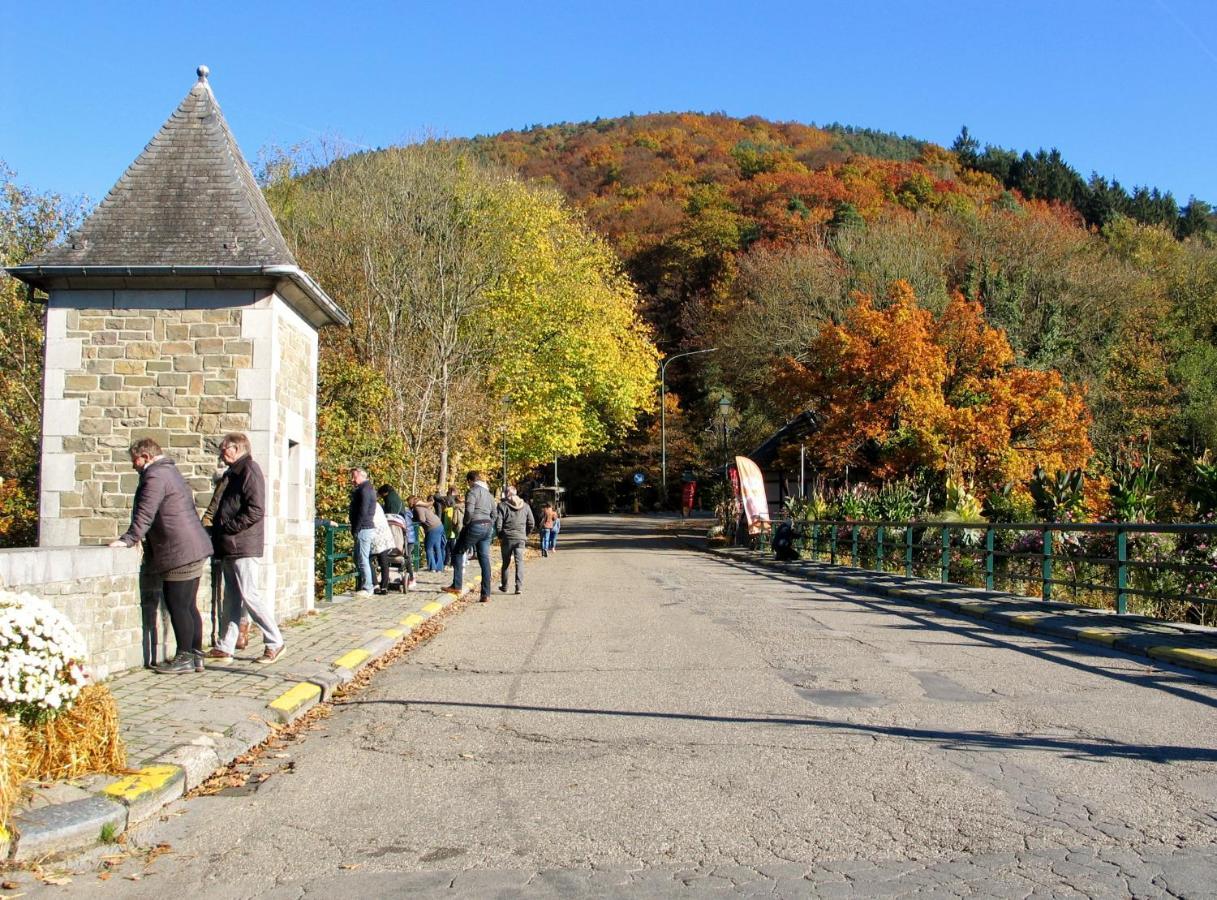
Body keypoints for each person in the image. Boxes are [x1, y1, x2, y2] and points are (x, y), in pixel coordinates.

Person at [110, 438, 213, 674]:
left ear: (145, 456)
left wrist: (129, 539)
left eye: (135, 460)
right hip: (193, 546)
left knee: (177, 604)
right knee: (188, 605)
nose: (133, 466)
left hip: (179, 549)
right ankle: (196, 656)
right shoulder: (170, 471)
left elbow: (146, 512)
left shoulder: (156, 477)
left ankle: (185, 656)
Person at [203, 433, 285, 664]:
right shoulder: (233, 473)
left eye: (224, 449)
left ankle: (275, 641)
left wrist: (229, 527)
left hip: (242, 544)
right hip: (230, 544)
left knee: (249, 594)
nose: (221, 454)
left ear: (237, 448)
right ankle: (226, 646)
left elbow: (256, 509)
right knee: (231, 597)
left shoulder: (249, 470)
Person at [201, 459, 251, 651]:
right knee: (235, 592)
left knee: (244, 591)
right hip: (227, 542)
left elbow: (212, 512)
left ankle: (261, 635)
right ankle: (233, 637)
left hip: (237, 541)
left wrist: (225, 529)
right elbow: (211, 513)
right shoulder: (228, 483)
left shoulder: (240, 480)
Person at [445, 471, 493, 601]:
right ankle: (486, 594)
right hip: (488, 527)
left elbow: (469, 511)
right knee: (484, 559)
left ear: (470, 481)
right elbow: (494, 512)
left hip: (475, 525)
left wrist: (466, 524)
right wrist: (490, 525)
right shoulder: (489, 494)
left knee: (457, 552)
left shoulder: (472, 492)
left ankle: (457, 585)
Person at [494, 485, 535, 594]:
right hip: (520, 538)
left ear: (507, 494)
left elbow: (498, 524)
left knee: (506, 562)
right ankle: (519, 587)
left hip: (507, 538)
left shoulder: (502, 506)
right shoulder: (525, 506)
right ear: (516, 493)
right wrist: (525, 534)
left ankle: (505, 586)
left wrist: (500, 535)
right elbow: (531, 523)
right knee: (519, 563)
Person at [349, 467, 378, 596]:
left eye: (354, 477)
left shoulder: (365, 490)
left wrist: (356, 528)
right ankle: (365, 585)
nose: (352, 480)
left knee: (362, 558)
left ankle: (368, 587)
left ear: (361, 476)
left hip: (364, 528)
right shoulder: (367, 489)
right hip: (364, 528)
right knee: (358, 557)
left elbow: (363, 510)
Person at [408, 495, 446, 572]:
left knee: (429, 548)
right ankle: (439, 568)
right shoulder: (423, 506)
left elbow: (422, 519)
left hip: (432, 528)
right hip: (439, 525)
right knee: (437, 547)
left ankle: (432, 567)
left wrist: (415, 522)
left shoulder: (418, 508)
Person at [370, 502, 397, 594]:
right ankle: (384, 587)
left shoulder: (367, 504)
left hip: (375, 536)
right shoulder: (377, 505)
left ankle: (375, 584)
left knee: (367, 560)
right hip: (384, 536)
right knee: (384, 562)